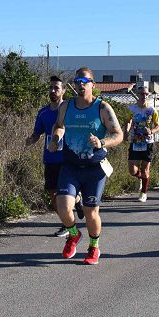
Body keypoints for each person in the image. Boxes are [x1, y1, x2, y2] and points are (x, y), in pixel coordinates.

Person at [49, 67, 124, 265]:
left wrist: (102, 142)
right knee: (62, 206)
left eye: (84, 81)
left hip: (94, 169)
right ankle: (73, 234)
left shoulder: (102, 108)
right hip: (71, 165)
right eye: (77, 81)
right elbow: (58, 126)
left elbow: (118, 134)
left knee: (91, 212)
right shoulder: (66, 106)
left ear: (93, 84)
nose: (80, 84)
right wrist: (56, 139)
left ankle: (94, 247)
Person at [26, 76, 71, 237]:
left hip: (67, 159)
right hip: (50, 158)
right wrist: (31, 139)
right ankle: (66, 223)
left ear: (63, 90)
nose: (52, 91)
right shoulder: (43, 112)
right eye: (51, 87)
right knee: (52, 193)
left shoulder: (69, 110)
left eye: (56, 88)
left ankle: (74, 209)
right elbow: (37, 132)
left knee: (64, 193)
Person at [126, 82, 159, 202]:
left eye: (146, 94)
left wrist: (151, 131)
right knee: (132, 170)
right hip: (135, 142)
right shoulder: (131, 108)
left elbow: (158, 126)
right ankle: (140, 178)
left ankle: (144, 193)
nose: (144, 96)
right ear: (137, 94)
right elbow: (128, 121)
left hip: (147, 142)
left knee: (146, 169)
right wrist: (126, 131)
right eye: (142, 94)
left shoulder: (152, 110)